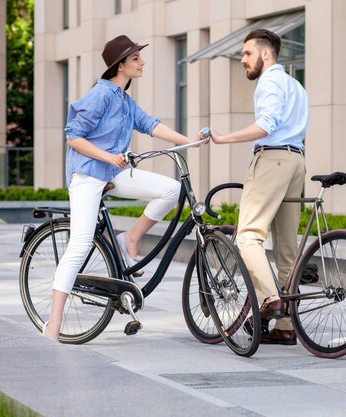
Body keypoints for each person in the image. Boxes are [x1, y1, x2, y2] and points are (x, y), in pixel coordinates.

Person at [43, 35, 202, 341]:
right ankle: (53, 323)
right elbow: (73, 136)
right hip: (89, 174)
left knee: (170, 190)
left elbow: (151, 125)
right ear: (121, 65)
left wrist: (189, 140)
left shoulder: (125, 100)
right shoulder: (102, 93)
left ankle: (131, 237)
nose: (142, 63)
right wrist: (108, 157)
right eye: (136, 59)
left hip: (116, 172)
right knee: (79, 245)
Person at [210, 29, 308, 345]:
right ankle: (285, 327)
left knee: (248, 236)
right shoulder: (296, 85)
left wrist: (223, 138)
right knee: (286, 249)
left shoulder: (269, 82)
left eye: (247, 53)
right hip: (297, 162)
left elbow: (266, 125)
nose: (243, 60)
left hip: (272, 160)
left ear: (266, 54)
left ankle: (269, 300)